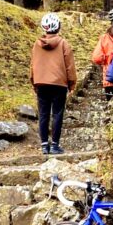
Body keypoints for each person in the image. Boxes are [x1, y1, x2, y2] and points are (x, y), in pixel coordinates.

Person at [29, 13, 77, 155]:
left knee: (43, 114)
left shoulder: (36, 45)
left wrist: (34, 82)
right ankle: (55, 145)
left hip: (41, 83)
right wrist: (72, 83)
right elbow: (70, 66)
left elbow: (32, 65)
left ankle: (44, 145)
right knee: (57, 114)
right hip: (59, 84)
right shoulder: (63, 44)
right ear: (58, 27)